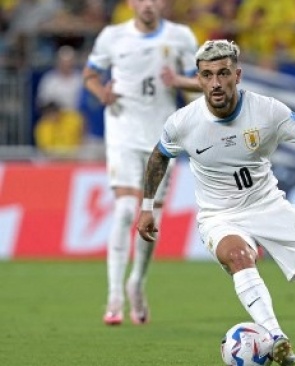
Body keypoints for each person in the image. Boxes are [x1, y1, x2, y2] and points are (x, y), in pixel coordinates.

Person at [136, 40, 295, 366]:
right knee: (238, 255)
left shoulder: (267, 110)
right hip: (220, 215)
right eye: (207, 75)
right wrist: (148, 206)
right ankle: (277, 338)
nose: (216, 83)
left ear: (238, 75)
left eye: (223, 73)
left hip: (269, 205)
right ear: (199, 79)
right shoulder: (183, 122)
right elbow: (159, 156)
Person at [82, 0, 200, 326]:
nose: (148, 4)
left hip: (161, 139)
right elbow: (90, 74)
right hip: (121, 132)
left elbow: (201, 81)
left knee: (151, 220)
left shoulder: (181, 37)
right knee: (122, 211)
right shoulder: (112, 36)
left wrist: (179, 81)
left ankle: (137, 282)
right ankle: (114, 296)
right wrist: (100, 93)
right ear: (132, 3)